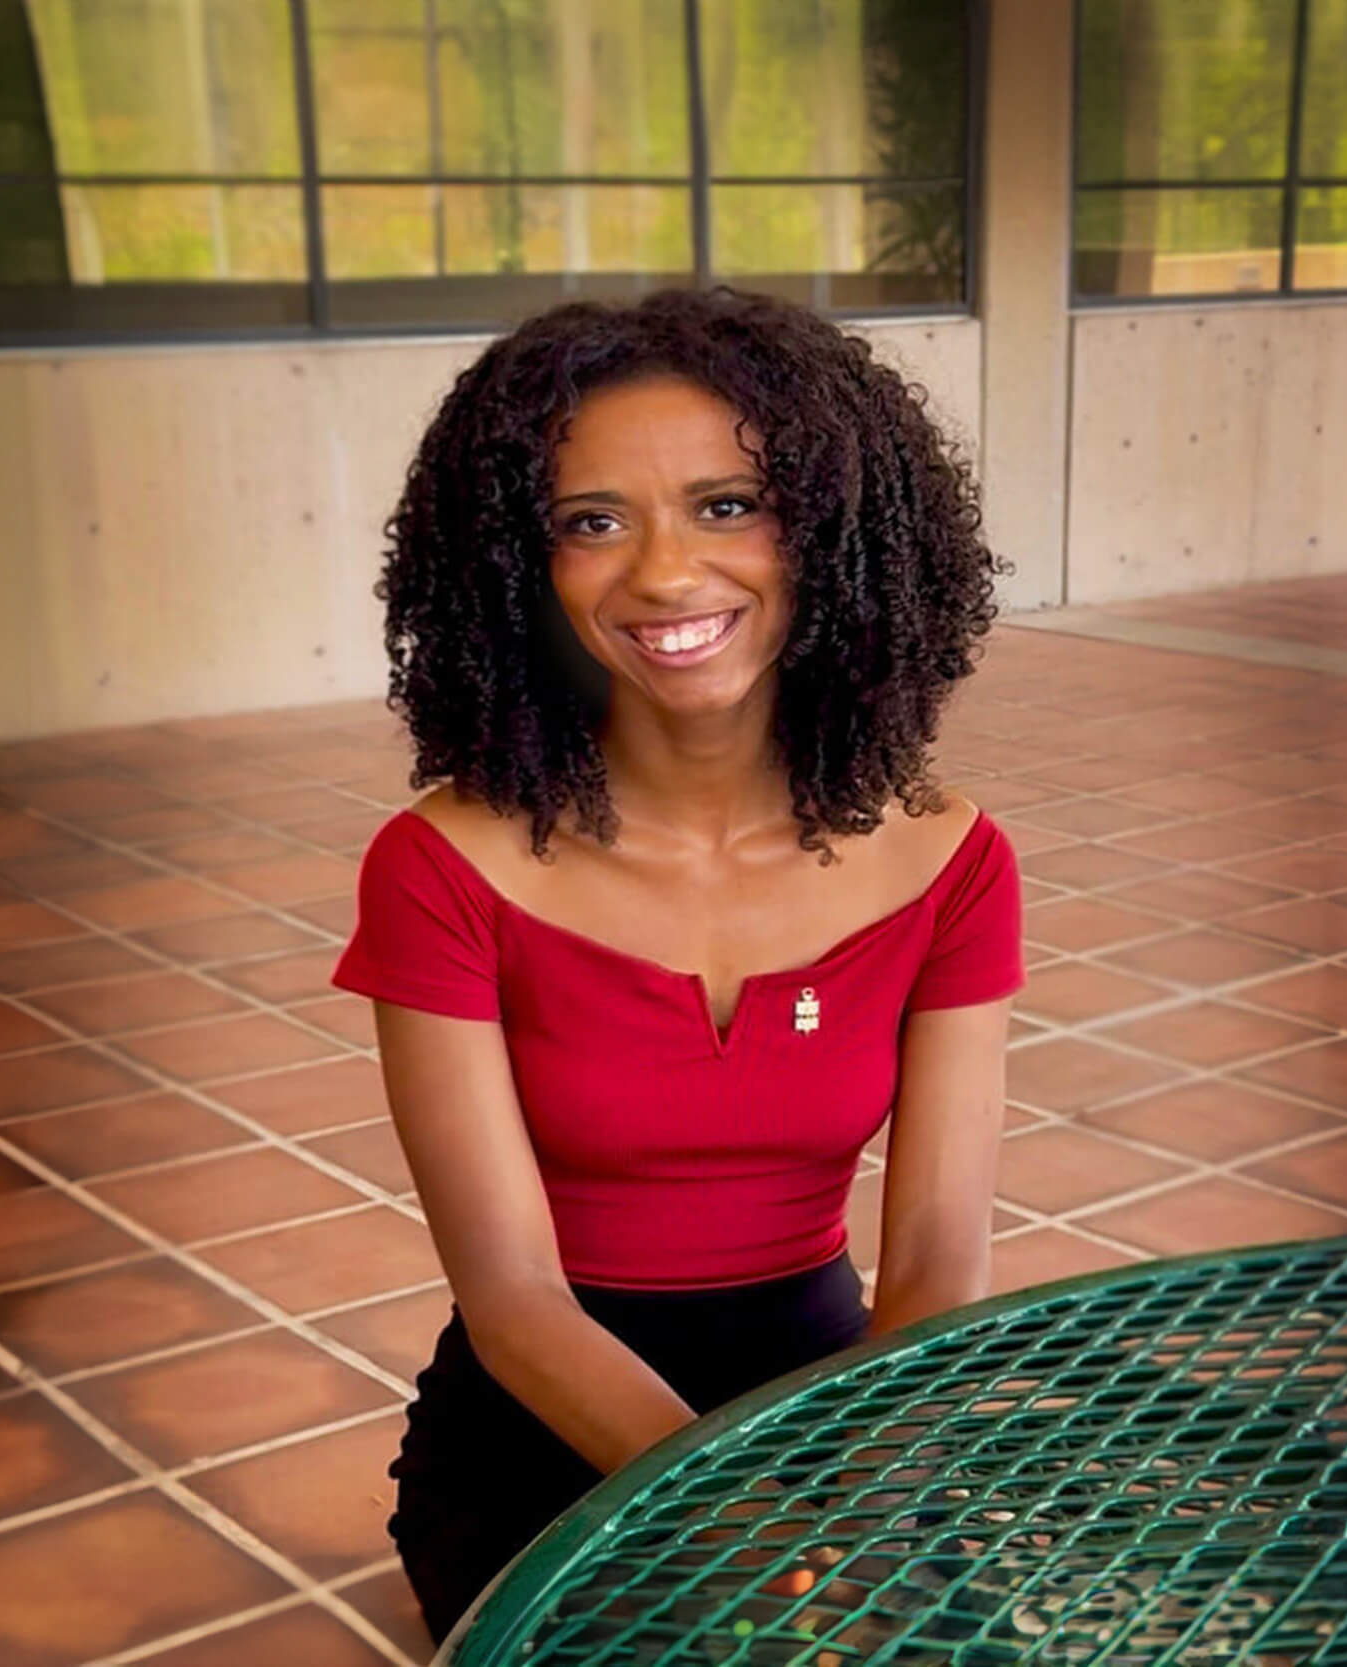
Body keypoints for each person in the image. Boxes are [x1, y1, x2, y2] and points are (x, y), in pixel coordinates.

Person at [330, 285, 1022, 1642]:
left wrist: (854, 1490)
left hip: (841, 1412)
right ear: (518, 568)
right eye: (592, 522)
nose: (661, 574)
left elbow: (938, 1253)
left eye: (728, 504)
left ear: (834, 534)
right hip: (546, 1426)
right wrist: (737, 1513)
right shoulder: (440, 868)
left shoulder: (955, 860)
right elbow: (515, 1298)